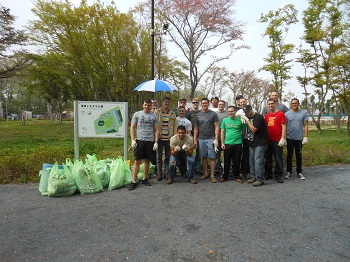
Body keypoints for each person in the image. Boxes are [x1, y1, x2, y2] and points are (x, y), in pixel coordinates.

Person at [129, 99, 159, 190]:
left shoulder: (154, 116)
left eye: (149, 105)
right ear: (143, 105)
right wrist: (133, 140)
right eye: (145, 105)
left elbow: (157, 129)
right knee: (137, 161)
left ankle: (144, 178)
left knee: (147, 160)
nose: (147, 107)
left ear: (151, 106)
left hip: (150, 141)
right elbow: (132, 127)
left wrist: (156, 142)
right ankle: (134, 181)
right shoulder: (137, 114)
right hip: (140, 140)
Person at [240, 105, 268, 187]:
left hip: (260, 143)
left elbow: (254, 129)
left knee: (258, 161)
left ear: (251, 110)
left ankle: (260, 179)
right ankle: (253, 176)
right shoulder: (248, 117)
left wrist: (247, 120)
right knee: (251, 161)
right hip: (252, 142)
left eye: (248, 111)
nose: (247, 113)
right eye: (245, 112)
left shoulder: (258, 117)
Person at [194, 98, 220, 183]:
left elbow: (216, 127)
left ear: (208, 104)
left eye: (206, 103)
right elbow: (196, 128)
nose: (204, 104)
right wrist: (195, 139)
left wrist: (216, 139)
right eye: (203, 103)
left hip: (211, 138)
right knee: (203, 157)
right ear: (201, 104)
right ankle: (206, 173)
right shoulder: (198, 115)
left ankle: (212, 175)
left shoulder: (213, 114)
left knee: (212, 157)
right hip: (201, 139)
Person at [220, 106, 246, 183]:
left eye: (231, 111)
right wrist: (222, 142)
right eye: (228, 111)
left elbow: (243, 130)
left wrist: (240, 139)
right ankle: (225, 176)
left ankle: (236, 176)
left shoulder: (240, 120)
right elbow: (222, 132)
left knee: (237, 161)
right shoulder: (225, 120)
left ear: (235, 111)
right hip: (227, 143)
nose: (230, 113)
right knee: (226, 161)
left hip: (238, 143)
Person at [154, 97, 178, 181]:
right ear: (162, 102)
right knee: (158, 157)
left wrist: (174, 137)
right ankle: (159, 173)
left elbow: (175, 126)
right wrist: (155, 137)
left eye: (168, 102)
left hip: (169, 139)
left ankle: (166, 173)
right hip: (159, 138)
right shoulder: (157, 112)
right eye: (165, 102)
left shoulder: (173, 114)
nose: (167, 103)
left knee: (168, 157)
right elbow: (154, 124)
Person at [285, 98, 308, 180]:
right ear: (291, 104)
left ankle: (299, 172)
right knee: (289, 155)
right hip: (289, 137)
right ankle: (289, 172)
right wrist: (283, 137)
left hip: (299, 138)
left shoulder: (303, 113)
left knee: (299, 155)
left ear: (298, 104)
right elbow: (284, 126)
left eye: (296, 103)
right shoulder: (287, 114)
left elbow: (305, 125)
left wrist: (306, 137)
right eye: (293, 103)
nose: (294, 104)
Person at [264, 98, 287, 183]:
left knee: (278, 158)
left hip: (277, 140)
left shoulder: (281, 114)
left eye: (272, 104)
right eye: (269, 104)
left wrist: (283, 138)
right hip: (268, 140)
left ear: (275, 104)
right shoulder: (267, 115)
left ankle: (278, 175)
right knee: (268, 159)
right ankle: (268, 174)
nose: (270, 105)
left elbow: (284, 126)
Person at [186, 97, 203, 176]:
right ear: (192, 103)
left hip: (201, 135)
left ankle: (197, 168)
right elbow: (187, 125)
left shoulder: (201, 113)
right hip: (191, 135)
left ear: (199, 103)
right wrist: (191, 136)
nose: (195, 104)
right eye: (193, 102)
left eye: (196, 102)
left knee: (199, 153)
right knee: (190, 152)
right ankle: (190, 168)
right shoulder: (189, 114)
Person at [215, 100, 227, 174]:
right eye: (219, 104)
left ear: (224, 105)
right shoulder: (215, 114)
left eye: (222, 104)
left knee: (226, 154)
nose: (221, 106)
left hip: (226, 137)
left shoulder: (227, 114)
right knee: (217, 154)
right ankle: (217, 169)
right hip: (217, 137)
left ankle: (226, 168)